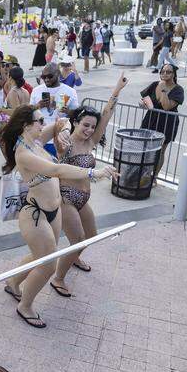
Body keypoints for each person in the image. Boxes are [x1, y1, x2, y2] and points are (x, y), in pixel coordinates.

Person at [0, 105, 117, 328]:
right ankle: (25, 306)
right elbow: (57, 170)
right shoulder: (23, 153)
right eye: (39, 121)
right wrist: (95, 172)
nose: (43, 124)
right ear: (26, 126)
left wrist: (63, 130)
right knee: (48, 265)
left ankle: (13, 282)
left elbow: (62, 120)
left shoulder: (34, 141)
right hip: (36, 214)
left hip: (53, 211)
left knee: (39, 256)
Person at [50, 74, 128, 297]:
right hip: (66, 198)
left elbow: (106, 115)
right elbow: (59, 124)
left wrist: (117, 90)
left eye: (92, 126)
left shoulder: (90, 141)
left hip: (84, 198)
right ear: (76, 122)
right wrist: (63, 128)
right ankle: (58, 278)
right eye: (85, 125)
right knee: (78, 240)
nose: (89, 129)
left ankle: (73, 258)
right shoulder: (65, 143)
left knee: (91, 235)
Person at [140, 65, 184, 180]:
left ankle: (154, 176)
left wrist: (163, 89)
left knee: (160, 150)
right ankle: (143, 174)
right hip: (151, 118)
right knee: (145, 147)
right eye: (162, 71)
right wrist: (142, 103)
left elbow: (166, 106)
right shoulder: (154, 84)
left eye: (168, 72)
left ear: (174, 74)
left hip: (167, 121)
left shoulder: (178, 89)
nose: (165, 74)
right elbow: (144, 98)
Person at [30, 63, 79, 157]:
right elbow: (28, 112)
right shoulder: (36, 90)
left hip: (60, 139)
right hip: (39, 138)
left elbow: (77, 115)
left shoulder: (70, 91)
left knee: (57, 168)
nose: (46, 79)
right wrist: (38, 105)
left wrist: (68, 111)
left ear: (58, 74)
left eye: (50, 76)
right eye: (43, 77)